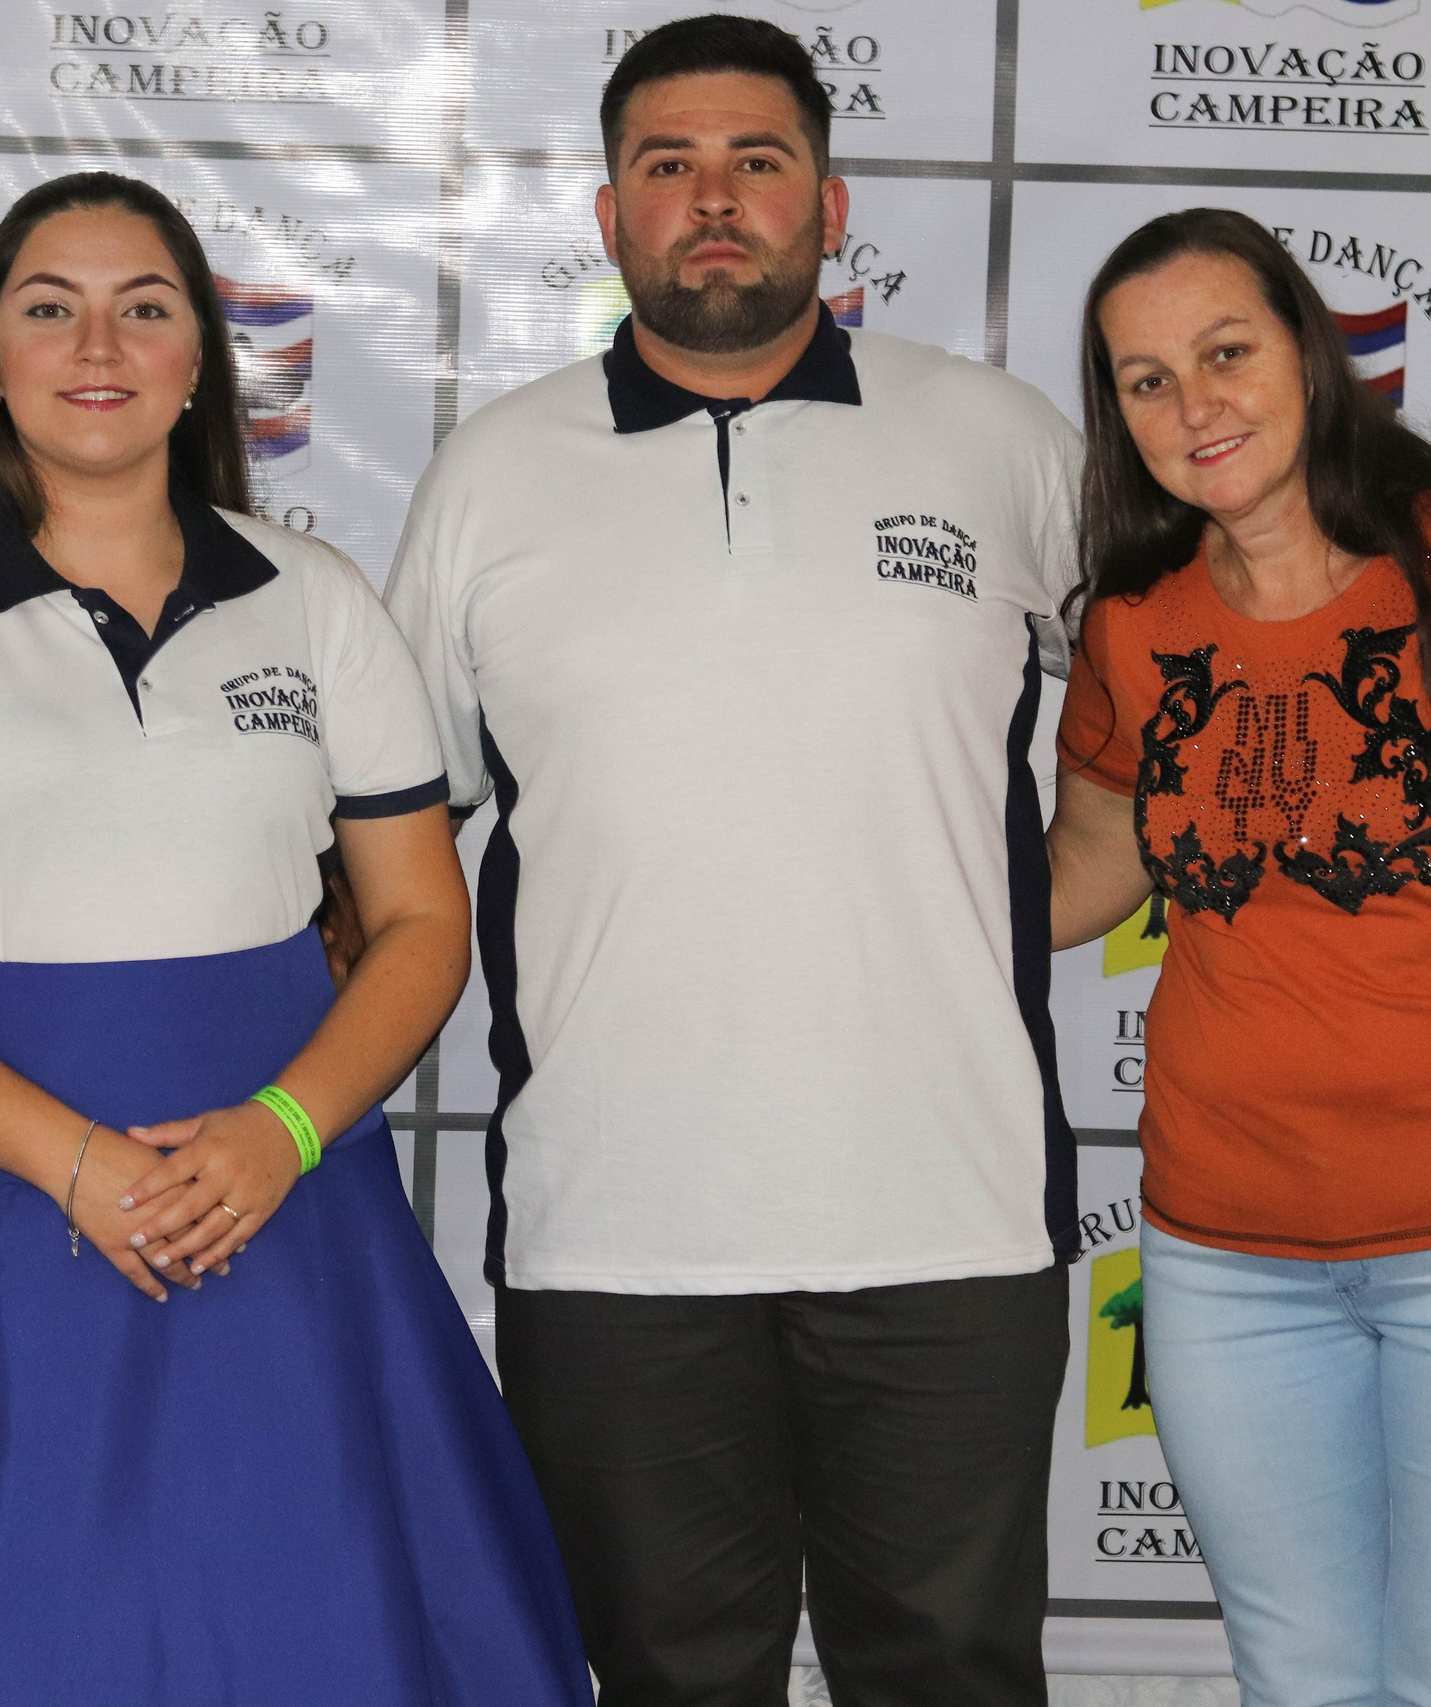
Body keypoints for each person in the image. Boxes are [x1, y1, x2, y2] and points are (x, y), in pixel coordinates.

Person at [0, 171, 591, 1706]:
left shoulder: (318, 603)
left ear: (195, 362)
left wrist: (284, 1131)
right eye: (49, 306)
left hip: (287, 1216)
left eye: (144, 307)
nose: (95, 341)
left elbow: (424, 920)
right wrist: (79, 1165)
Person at [383, 16, 1083, 1707]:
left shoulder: (1003, 443)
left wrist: (977, 921)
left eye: (758, 163)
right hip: (614, 1237)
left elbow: (1151, 730)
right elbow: (391, 849)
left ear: (830, 204)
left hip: (950, 1223)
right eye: (668, 166)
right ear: (608, 215)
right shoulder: (489, 480)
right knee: (662, 1680)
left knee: (954, 1679)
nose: (716, 200)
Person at [1047, 207, 1431, 1707]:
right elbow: (1087, 866)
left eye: (1224, 353)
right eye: (1144, 381)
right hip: (1223, 1260)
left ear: (1310, 358)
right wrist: (857, 882)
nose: (1193, 406)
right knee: (1299, 1674)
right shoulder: (1137, 624)